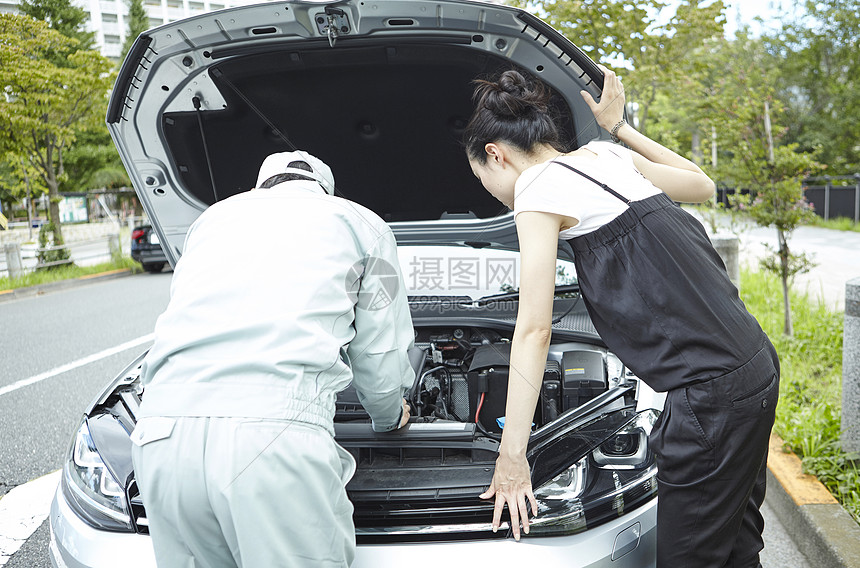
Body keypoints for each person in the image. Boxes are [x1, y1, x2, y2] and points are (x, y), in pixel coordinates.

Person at [465, 67, 779, 567]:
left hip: (711, 393)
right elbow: (702, 184)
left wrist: (512, 457)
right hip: (754, 365)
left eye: (482, 178)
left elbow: (534, 328)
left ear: (495, 154)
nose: (490, 190)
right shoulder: (604, 154)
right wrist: (620, 127)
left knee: (690, 558)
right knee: (737, 545)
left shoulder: (537, 189)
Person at [130, 150, 415, 568]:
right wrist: (391, 415)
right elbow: (378, 353)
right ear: (324, 189)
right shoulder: (363, 226)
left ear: (261, 184)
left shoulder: (208, 222)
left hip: (160, 437)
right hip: (271, 441)